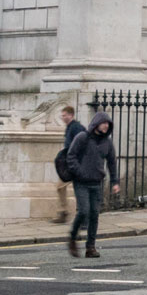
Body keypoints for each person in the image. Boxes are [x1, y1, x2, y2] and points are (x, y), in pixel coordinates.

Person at [64, 112, 120, 259]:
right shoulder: (83, 137)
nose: (106, 125)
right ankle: (72, 238)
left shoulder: (107, 142)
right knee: (83, 211)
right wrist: (79, 172)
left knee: (95, 214)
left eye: (108, 124)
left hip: (97, 183)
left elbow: (112, 162)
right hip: (81, 182)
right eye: (104, 123)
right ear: (96, 123)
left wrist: (115, 182)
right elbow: (71, 156)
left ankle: (90, 247)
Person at [51, 105, 83, 225]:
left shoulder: (76, 127)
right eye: (62, 115)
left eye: (64, 115)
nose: (63, 117)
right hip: (69, 163)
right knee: (61, 187)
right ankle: (64, 212)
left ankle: (68, 212)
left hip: (74, 164)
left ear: (71, 115)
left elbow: (82, 144)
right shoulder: (70, 127)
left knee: (69, 187)